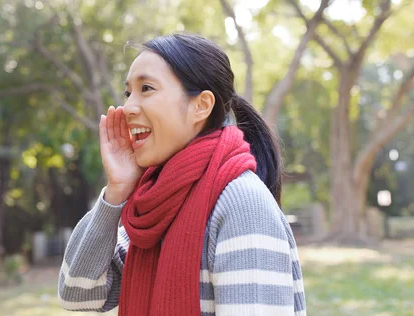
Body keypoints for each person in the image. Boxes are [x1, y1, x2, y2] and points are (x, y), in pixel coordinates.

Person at [58, 33, 305, 316]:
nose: (127, 108)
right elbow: (77, 293)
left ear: (200, 105)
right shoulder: (155, 207)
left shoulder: (242, 205)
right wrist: (116, 191)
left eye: (147, 88)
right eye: (128, 93)